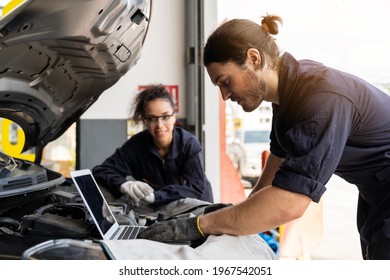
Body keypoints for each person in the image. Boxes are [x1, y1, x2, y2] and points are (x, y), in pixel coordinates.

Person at [139, 15, 390, 260]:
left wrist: (203, 225)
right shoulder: (289, 98)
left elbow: (290, 202)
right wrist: (233, 214)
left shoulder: (319, 99)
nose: (225, 96)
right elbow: (273, 174)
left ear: (253, 58)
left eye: (226, 82)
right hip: (375, 196)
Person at [92, 84, 214, 210]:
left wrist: (158, 196)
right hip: (161, 210)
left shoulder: (189, 144)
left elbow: (196, 187)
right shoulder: (136, 146)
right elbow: (101, 171)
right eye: (152, 119)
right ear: (145, 121)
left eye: (165, 117)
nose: (159, 125)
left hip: (196, 206)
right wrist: (124, 184)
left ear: (174, 117)